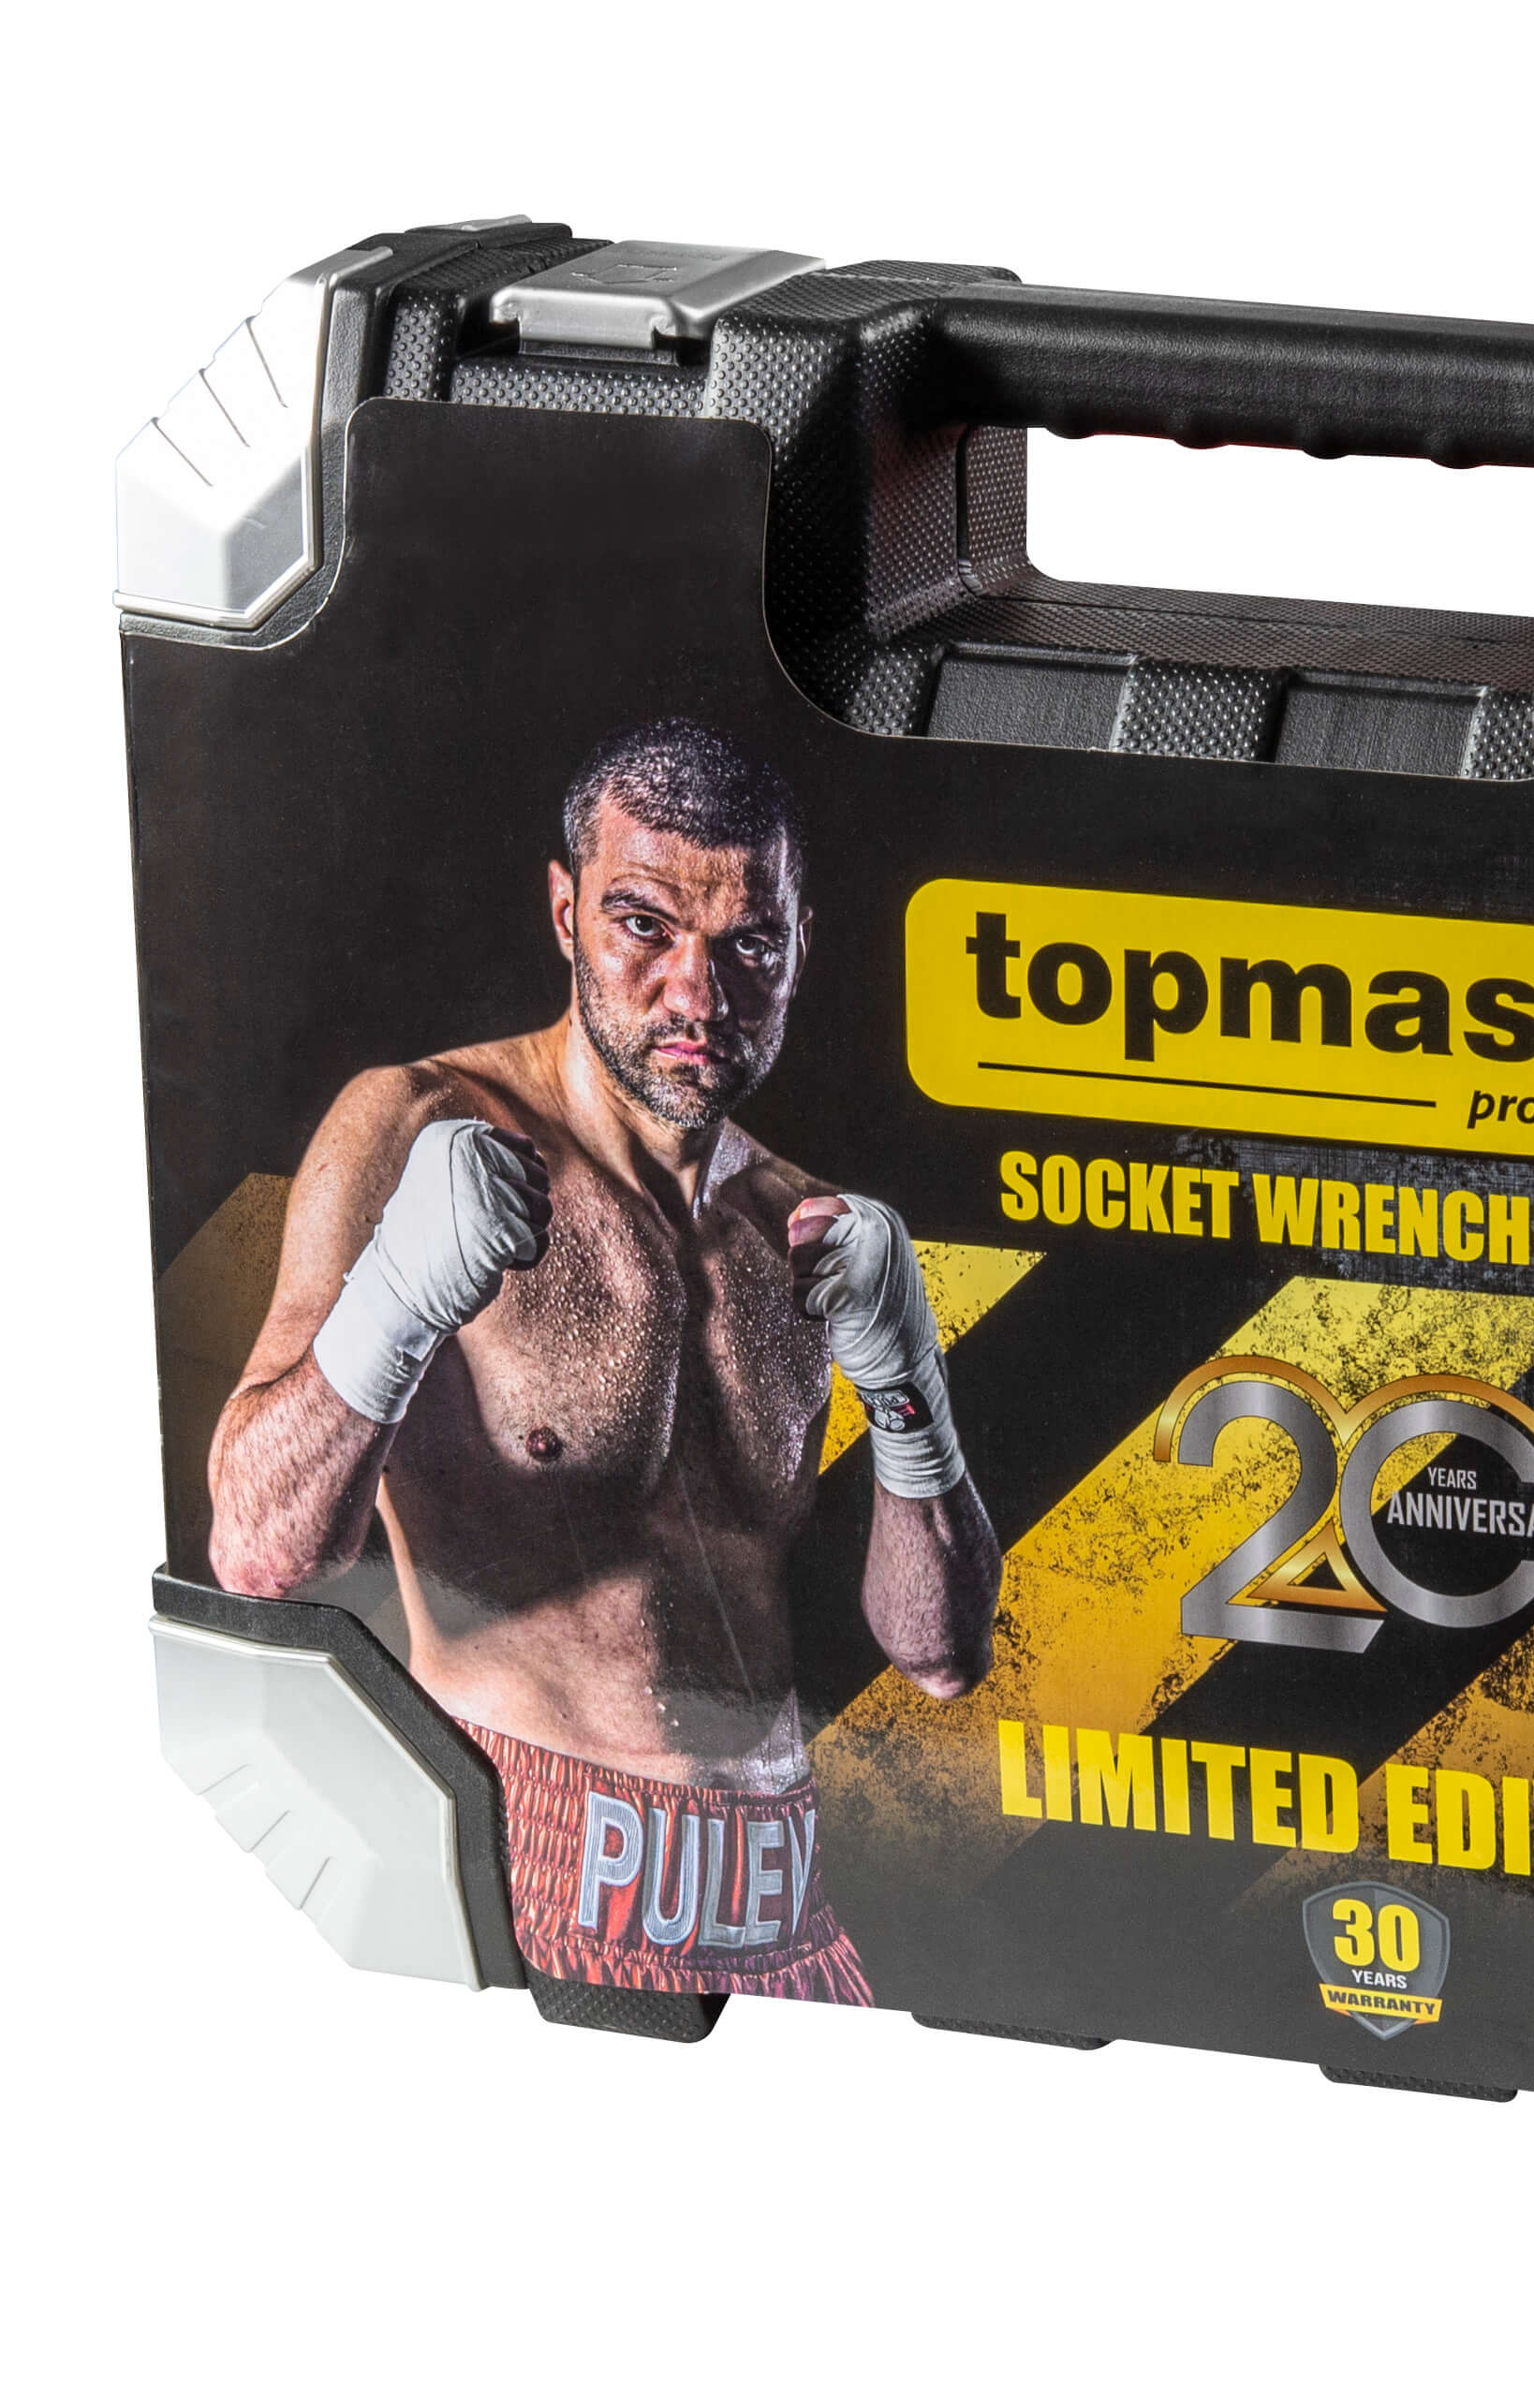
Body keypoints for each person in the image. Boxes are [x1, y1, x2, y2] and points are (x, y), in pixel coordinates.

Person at [207, 718, 1000, 2001]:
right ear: (565, 910)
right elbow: (258, 1551)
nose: (699, 995)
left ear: (800, 946)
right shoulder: (414, 1125)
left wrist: (911, 1393)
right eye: (645, 926)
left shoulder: (802, 1230)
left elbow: (943, 1656)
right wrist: (393, 1296)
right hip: (528, 1851)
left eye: (749, 944)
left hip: (784, 1890)